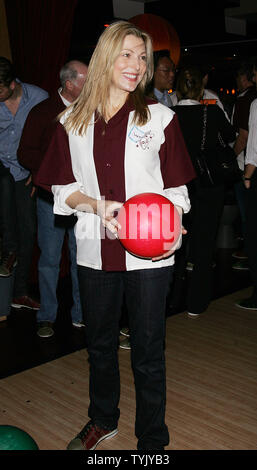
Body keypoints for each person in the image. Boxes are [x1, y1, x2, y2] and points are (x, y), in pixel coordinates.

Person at [34, 21, 195, 450]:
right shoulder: (71, 121)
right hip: (93, 251)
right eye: (127, 54)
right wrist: (96, 206)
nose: (136, 64)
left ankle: (152, 439)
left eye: (142, 57)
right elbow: (62, 188)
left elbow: (177, 190)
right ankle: (102, 419)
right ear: (106, 57)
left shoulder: (161, 117)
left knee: (147, 350)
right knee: (100, 346)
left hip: (150, 254)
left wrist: (174, 222)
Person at [18, 60, 88, 338]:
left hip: (84, 198)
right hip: (51, 198)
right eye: (86, 81)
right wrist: (46, 172)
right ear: (69, 84)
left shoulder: (90, 110)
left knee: (80, 257)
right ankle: (47, 316)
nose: (91, 85)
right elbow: (25, 153)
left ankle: (81, 314)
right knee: (49, 258)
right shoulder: (43, 112)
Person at [172, 66, 236, 317]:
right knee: (204, 244)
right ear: (201, 89)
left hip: (179, 185)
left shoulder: (169, 114)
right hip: (209, 185)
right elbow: (231, 136)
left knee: (177, 244)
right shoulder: (212, 112)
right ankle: (196, 303)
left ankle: (173, 298)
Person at [0, 56, 48, 309]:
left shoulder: (38, 98)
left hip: (24, 173)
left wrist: (39, 169)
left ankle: (19, 292)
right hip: (1, 171)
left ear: (11, 84)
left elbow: (52, 138)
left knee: (28, 231)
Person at [235, 59, 257, 310]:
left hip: (254, 173)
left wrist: (247, 175)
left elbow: (251, 146)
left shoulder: (253, 103)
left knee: (252, 234)